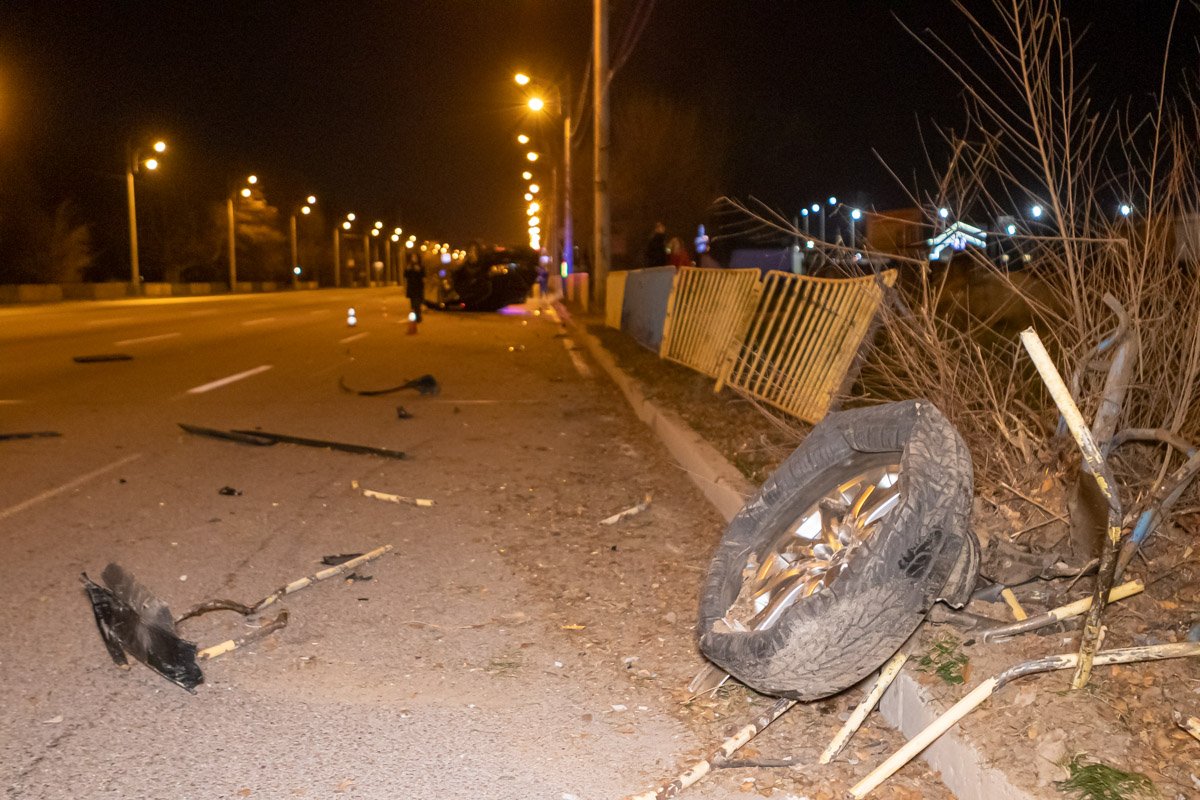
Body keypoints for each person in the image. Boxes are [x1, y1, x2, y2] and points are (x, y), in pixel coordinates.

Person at [404, 251, 425, 322]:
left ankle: (418, 317)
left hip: (418, 287)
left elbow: (424, 275)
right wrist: (408, 269)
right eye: (413, 257)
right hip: (411, 287)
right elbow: (405, 275)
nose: (414, 258)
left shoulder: (421, 266)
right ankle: (414, 317)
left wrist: (419, 270)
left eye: (415, 257)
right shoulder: (409, 266)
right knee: (412, 304)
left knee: (417, 303)